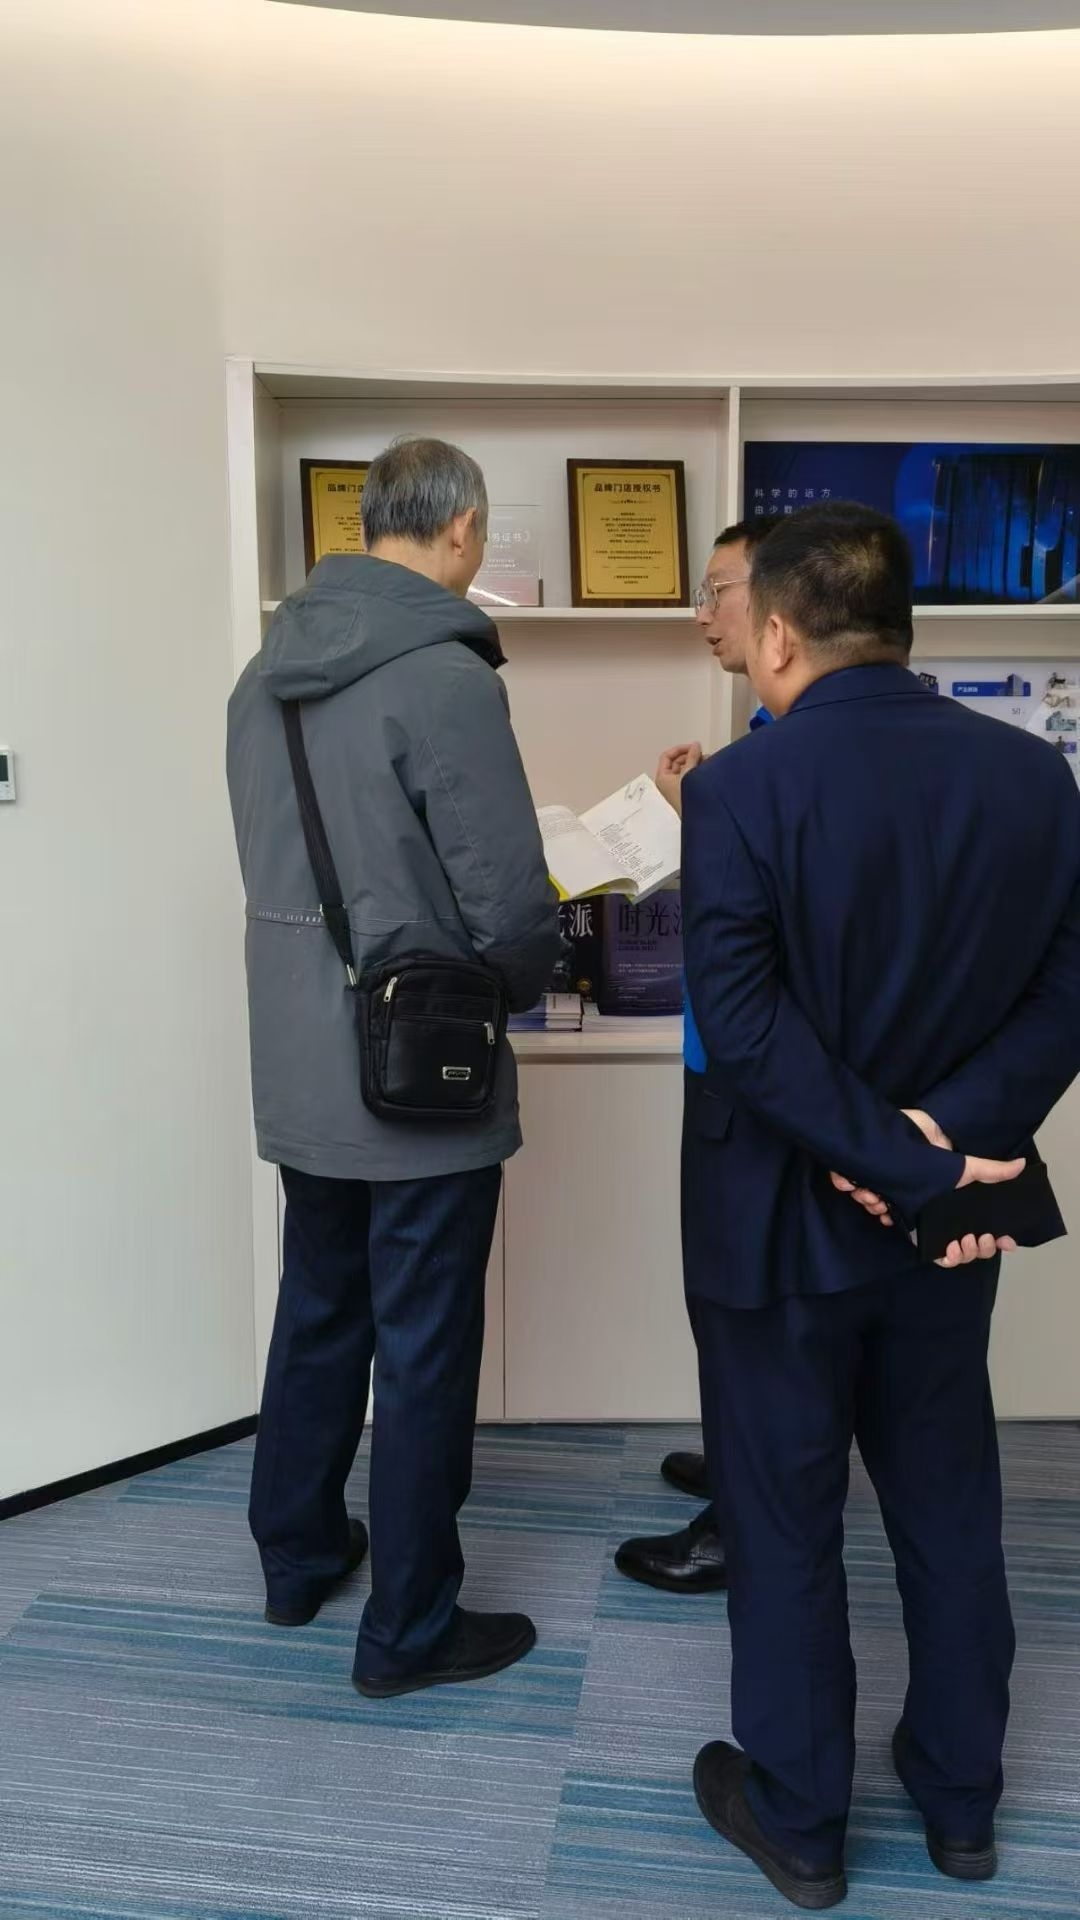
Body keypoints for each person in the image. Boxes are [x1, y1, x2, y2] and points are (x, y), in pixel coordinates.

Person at [680, 499, 1080, 1909]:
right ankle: (961, 1796)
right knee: (946, 1499)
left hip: (773, 1221)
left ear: (781, 634)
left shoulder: (742, 788)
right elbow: (1066, 994)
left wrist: (889, 1153)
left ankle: (802, 1818)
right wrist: (947, 1144)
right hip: (952, 1225)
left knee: (784, 1513)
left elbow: (741, 1025)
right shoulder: (1034, 776)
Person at [226, 436, 561, 1699]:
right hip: (419, 1071)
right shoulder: (444, 676)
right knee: (423, 1344)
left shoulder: (259, 674)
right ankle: (411, 1629)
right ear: (463, 530)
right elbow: (508, 902)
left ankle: (297, 1556)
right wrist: (527, 977)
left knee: (319, 1307)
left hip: (300, 1058)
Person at [615, 515, 781, 1596]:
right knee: (726, 1294)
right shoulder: (763, 736)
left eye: (716, 590)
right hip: (724, 1060)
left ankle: (738, 1518)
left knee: (744, 1301)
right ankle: (736, 1461)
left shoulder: (786, 751)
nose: (701, 614)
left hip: (753, 1073)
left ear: (779, 600)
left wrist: (702, 815)